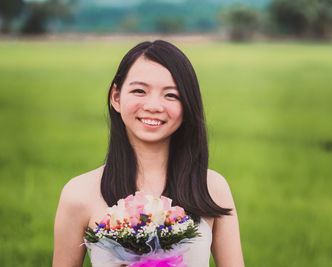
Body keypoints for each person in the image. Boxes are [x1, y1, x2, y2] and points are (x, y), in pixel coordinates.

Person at [53, 40, 244, 267]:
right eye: (139, 91)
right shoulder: (79, 193)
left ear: (187, 105)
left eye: (171, 95)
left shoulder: (212, 187)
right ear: (116, 97)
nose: (153, 105)